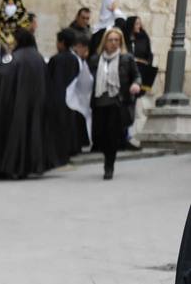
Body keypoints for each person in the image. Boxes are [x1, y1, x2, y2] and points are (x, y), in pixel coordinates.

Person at [0, 28, 50, 179]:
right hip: (35, 103)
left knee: (13, 135)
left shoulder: (13, 57)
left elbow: (1, 74)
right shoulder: (39, 58)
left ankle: (9, 166)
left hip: (14, 103)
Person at [90, 26, 143, 180]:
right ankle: (107, 157)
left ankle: (109, 166)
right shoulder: (96, 59)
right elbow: (88, 79)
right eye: (110, 40)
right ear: (104, 42)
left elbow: (137, 76)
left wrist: (136, 85)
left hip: (117, 102)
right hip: (99, 103)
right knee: (100, 135)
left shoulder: (126, 59)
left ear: (121, 42)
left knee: (112, 136)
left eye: (116, 40)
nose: (113, 43)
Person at [45, 28, 83, 165]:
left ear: (62, 42)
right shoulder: (74, 59)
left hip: (56, 97)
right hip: (71, 97)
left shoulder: (55, 59)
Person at [126, 15, 156, 145]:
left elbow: (148, 54)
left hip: (141, 72)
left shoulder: (144, 38)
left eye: (140, 23)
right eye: (136, 23)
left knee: (137, 101)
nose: (139, 26)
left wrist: (145, 63)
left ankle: (133, 132)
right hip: (128, 74)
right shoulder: (126, 38)